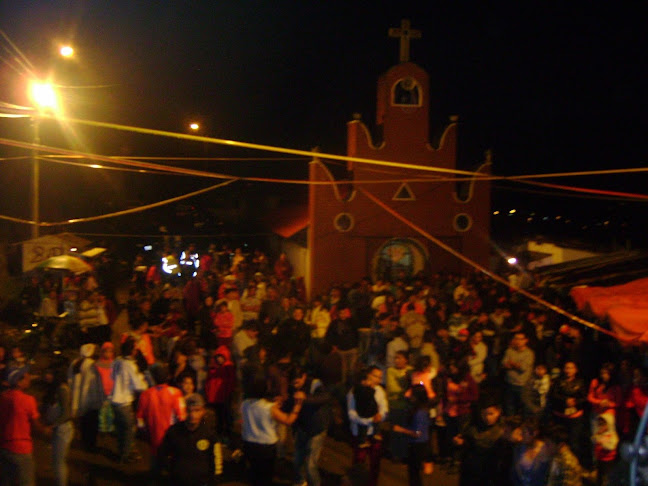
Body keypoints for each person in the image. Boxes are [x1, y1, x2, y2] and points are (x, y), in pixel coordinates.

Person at [240, 375, 305, 486]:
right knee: (265, 476)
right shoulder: (269, 408)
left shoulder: (245, 404)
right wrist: (298, 405)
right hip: (265, 447)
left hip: (248, 443)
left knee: (253, 473)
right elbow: (288, 420)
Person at [0, 367, 51, 486]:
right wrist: (45, 430)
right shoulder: (28, 400)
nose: (29, 379)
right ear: (18, 381)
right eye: (26, 377)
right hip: (21, 448)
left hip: (4, 447)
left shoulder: (2, 397)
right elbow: (35, 425)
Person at [157, 393, 222, 486]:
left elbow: (216, 459)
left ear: (203, 411)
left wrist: (214, 480)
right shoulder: (174, 431)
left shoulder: (209, 434)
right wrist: (170, 472)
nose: (193, 415)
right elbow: (162, 454)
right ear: (185, 411)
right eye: (189, 410)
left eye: (197, 410)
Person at [287, 366, 332, 486]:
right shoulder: (291, 387)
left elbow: (325, 397)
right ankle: (300, 481)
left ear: (304, 376)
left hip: (317, 429)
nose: (295, 385)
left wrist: (305, 398)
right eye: (293, 383)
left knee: (310, 465)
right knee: (297, 460)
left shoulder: (315, 384)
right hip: (301, 428)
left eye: (297, 382)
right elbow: (290, 404)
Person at [136, 364, 186, 471]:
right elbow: (182, 417)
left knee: (156, 466)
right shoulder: (175, 393)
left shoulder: (145, 395)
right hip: (172, 438)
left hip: (154, 439)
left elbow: (140, 420)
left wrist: (145, 433)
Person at [347, 366, 389, 486]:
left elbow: (384, 408)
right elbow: (351, 414)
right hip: (359, 433)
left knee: (375, 462)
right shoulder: (355, 391)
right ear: (368, 375)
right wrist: (369, 420)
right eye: (375, 376)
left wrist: (381, 416)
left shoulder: (380, 391)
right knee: (359, 462)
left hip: (375, 433)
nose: (378, 380)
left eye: (380, 377)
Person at [111, 337, 148, 463]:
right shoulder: (130, 365)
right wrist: (142, 378)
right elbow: (139, 386)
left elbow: (112, 376)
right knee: (128, 430)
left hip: (114, 401)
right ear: (132, 351)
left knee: (121, 429)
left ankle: (121, 451)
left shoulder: (117, 361)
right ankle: (125, 456)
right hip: (124, 402)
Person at [453, 398, 506, 486]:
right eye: (484, 414)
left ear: (499, 412)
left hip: (491, 473)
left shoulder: (503, 429)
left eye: (491, 414)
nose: (487, 417)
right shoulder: (473, 426)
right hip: (472, 472)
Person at [392, 385, 431, 486]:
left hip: (418, 445)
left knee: (414, 474)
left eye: (412, 393)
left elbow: (417, 433)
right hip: (419, 444)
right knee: (414, 473)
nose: (409, 395)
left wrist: (401, 430)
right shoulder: (421, 409)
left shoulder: (420, 413)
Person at [42, 367, 74, 486]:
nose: (47, 376)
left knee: (59, 462)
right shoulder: (53, 388)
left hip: (63, 430)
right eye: (46, 373)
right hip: (57, 429)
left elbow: (66, 414)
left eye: (49, 373)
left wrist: (51, 426)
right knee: (56, 461)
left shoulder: (62, 389)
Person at [510, 418, 551, 486]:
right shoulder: (519, 449)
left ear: (534, 433)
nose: (522, 435)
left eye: (524, 432)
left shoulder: (544, 450)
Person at [502, 332, 535, 416]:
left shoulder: (529, 353)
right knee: (509, 406)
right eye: (516, 338)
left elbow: (523, 368)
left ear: (525, 340)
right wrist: (516, 365)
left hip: (522, 385)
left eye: (520, 339)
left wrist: (512, 364)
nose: (517, 341)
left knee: (524, 407)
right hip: (509, 383)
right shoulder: (509, 351)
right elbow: (504, 364)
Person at [591, 412, 618, 486]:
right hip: (600, 459)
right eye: (599, 424)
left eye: (603, 424)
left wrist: (603, 444)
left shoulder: (612, 435)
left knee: (608, 477)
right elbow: (593, 440)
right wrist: (597, 436)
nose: (601, 427)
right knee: (599, 476)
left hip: (609, 461)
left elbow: (612, 446)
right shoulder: (600, 434)